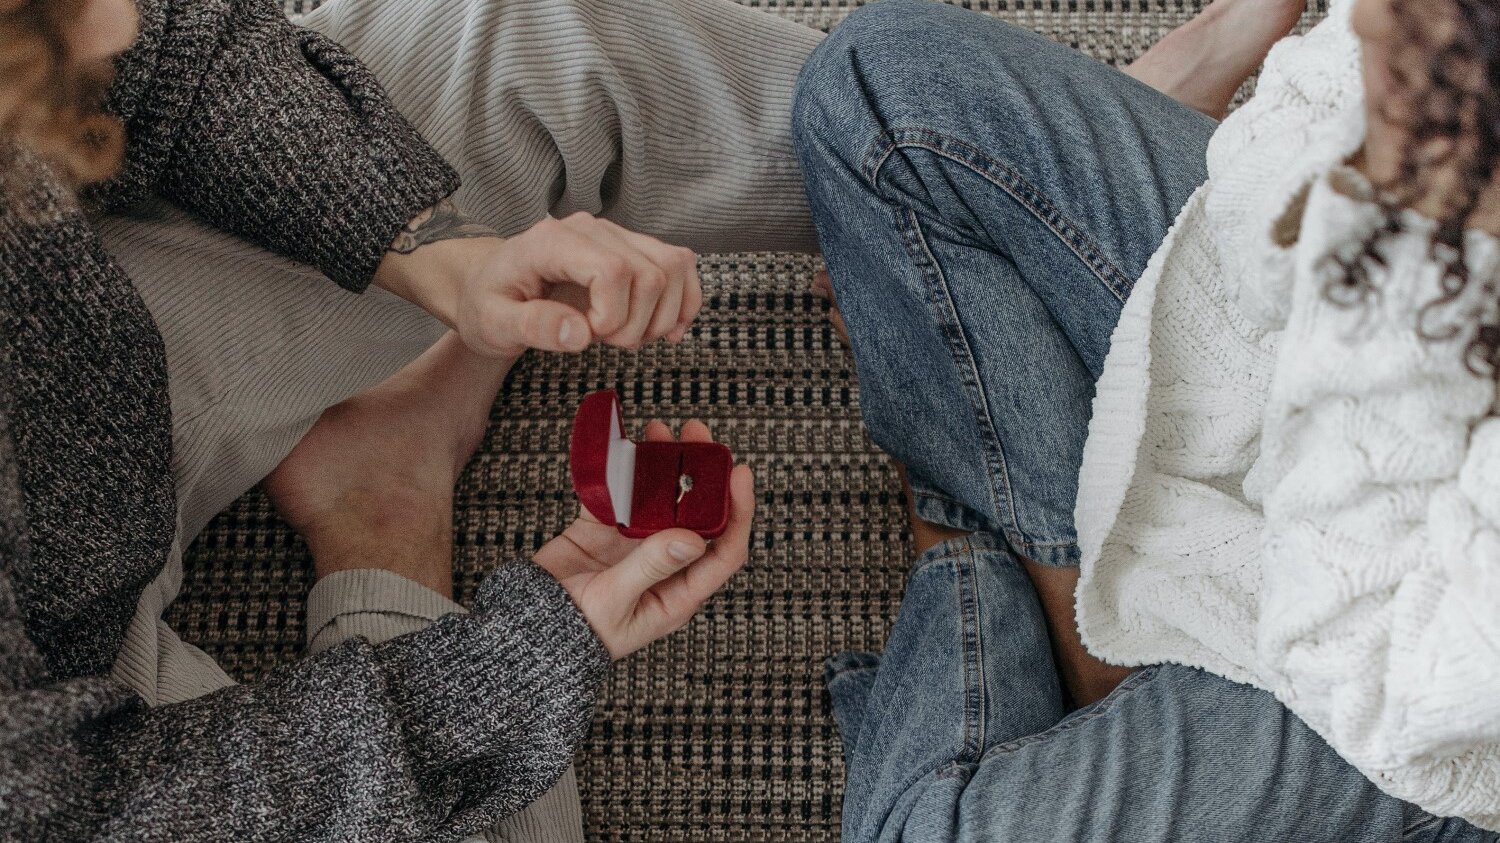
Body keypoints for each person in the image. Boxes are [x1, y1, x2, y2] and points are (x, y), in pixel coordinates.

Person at [0, 0, 772, 837]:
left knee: (528, 39)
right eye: (55, 14)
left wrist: (446, 257)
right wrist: (501, 672)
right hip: (77, 749)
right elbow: (107, 813)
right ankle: (385, 520)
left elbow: (172, 63)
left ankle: (911, 209)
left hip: (85, 353)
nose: (125, 16)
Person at [794, 0, 1500, 839]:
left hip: (1419, 677)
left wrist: (1391, 267)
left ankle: (985, 554)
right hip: (1370, 281)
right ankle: (1054, 575)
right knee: (876, 85)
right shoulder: (1421, 70)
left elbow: (1369, 659)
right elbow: (1299, 136)